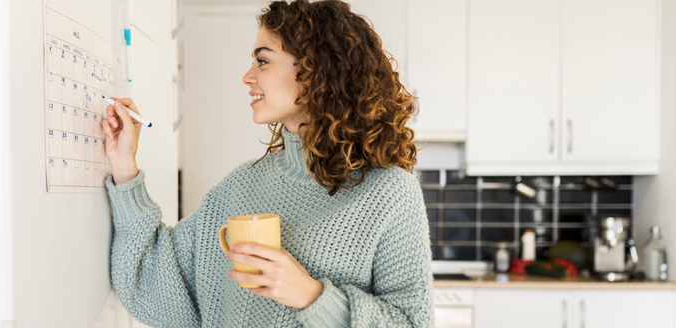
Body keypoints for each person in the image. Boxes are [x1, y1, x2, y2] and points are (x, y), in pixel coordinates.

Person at [99, 0, 434, 326]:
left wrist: (312, 296)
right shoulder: (241, 185)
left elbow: (412, 323)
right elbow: (153, 280)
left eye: (263, 61)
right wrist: (124, 166)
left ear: (317, 69)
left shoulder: (390, 193)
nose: (247, 77)